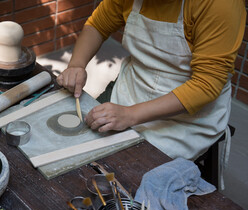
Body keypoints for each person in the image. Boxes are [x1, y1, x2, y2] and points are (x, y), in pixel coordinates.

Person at [56, 0, 246, 161]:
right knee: (75, 146)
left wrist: (130, 115)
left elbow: (206, 85)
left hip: (186, 117)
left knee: (126, 168)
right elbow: (98, 25)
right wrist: (77, 64)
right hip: (131, 88)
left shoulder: (220, 4)